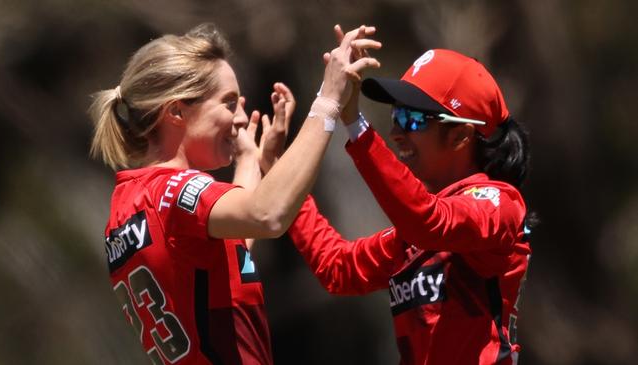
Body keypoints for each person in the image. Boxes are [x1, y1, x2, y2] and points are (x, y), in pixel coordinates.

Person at [88, 23, 381, 365]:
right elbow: (267, 214)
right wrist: (328, 100)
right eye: (229, 104)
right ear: (177, 112)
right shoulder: (173, 190)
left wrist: (250, 161)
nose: (242, 118)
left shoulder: (130, 203)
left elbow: (227, 255)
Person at [284, 26, 533, 365]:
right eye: (395, 115)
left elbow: (428, 221)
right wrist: (280, 177)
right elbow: (337, 268)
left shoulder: (498, 204)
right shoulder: (418, 231)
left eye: (412, 119)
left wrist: (355, 125)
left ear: (461, 135)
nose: (396, 133)